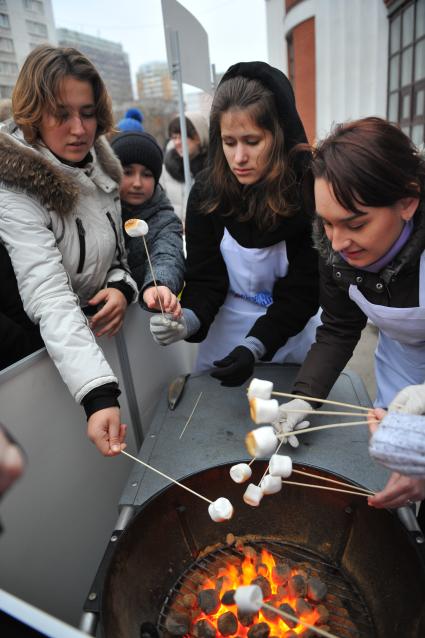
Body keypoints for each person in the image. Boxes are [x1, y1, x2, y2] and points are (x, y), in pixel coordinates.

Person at [273, 117, 425, 508]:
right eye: (327, 222)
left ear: (408, 201)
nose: (339, 241)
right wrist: (305, 398)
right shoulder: (335, 249)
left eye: (356, 223)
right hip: (402, 376)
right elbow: (340, 327)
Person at [0, 45, 138, 456]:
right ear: (33, 116)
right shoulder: (14, 189)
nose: (79, 128)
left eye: (88, 111)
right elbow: (49, 294)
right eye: (61, 114)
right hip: (34, 370)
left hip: (86, 354)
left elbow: (116, 255)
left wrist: (121, 287)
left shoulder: (100, 166)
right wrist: (97, 394)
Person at [150, 61, 321, 387]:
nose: (239, 157)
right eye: (229, 142)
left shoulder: (306, 194)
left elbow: (302, 294)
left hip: (291, 329)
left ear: (278, 136)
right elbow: (205, 279)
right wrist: (186, 320)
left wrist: (254, 346)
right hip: (225, 328)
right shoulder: (206, 192)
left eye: (252, 141)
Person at [110, 130, 184, 315]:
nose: (137, 183)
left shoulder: (165, 219)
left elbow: (168, 254)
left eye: (147, 174)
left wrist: (157, 284)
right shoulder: (98, 214)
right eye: (127, 172)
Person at [161, 111, 209, 222]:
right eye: (174, 137)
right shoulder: (164, 172)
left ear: (198, 137)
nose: (177, 142)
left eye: (182, 136)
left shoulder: (215, 171)